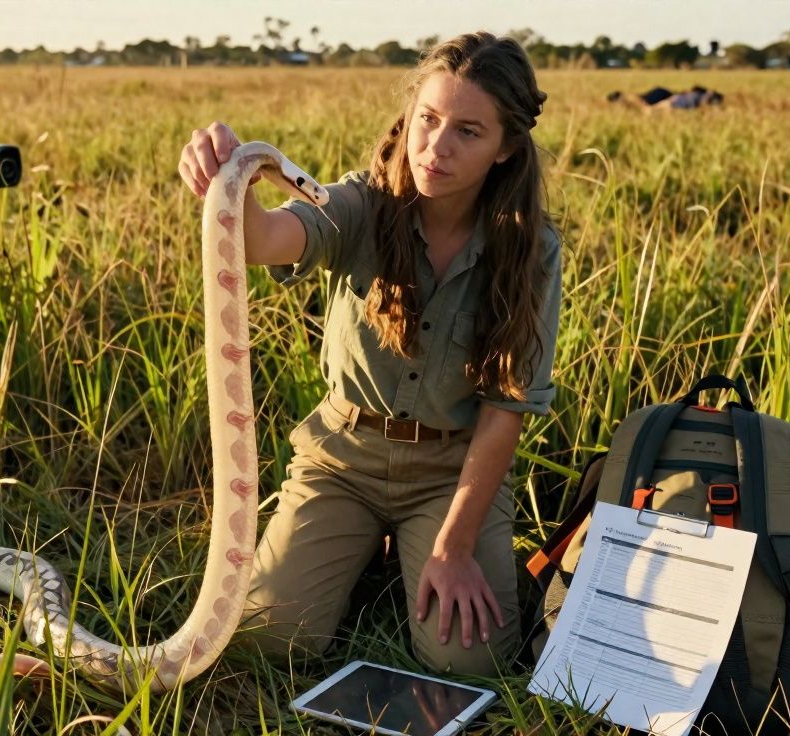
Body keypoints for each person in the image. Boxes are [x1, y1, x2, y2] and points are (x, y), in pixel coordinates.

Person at [178, 32, 561, 677]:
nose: (436, 147)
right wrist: (230, 175)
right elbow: (264, 238)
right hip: (342, 459)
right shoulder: (361, 202)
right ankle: (363, 554)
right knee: (270, 639)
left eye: (468, 131)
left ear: (506, 148)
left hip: (449, 471)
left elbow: (505, 410)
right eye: (428, 119)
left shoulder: (531, 250)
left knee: (469, 662)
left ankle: (407, 551)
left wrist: (454, 545)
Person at [607, 84, 724, 109]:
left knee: (643, 100)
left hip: (665, 95)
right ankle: (621, 97)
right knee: (643, 101)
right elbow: (669, 103)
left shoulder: (693, 97)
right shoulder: (693, 98)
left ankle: (620, 97)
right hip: (665, 95)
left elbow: (669, 103)